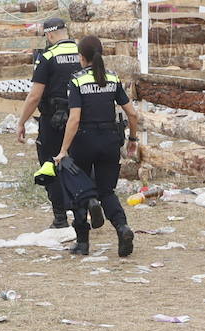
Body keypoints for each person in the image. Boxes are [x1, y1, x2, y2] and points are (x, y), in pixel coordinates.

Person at [53, 34, 139, 257]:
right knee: (107, 191)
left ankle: (82, 242)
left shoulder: (77, 81)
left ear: (82, 57)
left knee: (78, 190)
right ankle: (122, 228)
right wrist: (133, 140)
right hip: (110, 140)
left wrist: (63, 150)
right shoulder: (112, 78)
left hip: (84, 140)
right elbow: (132, 113)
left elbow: (74, 119)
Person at [16, 16, 79, 228]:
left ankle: (60, 217)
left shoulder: (48, 56)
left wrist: (21, 121)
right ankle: (83, 210)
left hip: (53, 121)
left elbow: (34, 96)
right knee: (79, 164)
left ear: (49, 35)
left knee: (49, 166)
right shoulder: (84, 52)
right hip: (81, 120)